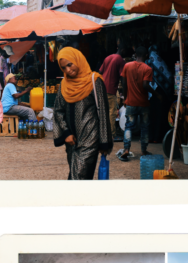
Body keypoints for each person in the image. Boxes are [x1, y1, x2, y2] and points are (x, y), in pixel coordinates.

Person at [53, 47, 113, 180]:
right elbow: (58, 110)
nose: (68, 70)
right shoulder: (64, 83)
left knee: (79, 176)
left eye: (70, 64)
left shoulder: (94, 81)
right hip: (71, 142)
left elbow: (103, 113)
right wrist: (66, 133)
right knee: (77, 175)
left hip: (90, 139)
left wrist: (104, 142)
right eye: (64, 68)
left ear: (77, 60)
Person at [118, 46, 154, 161]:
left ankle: (126, 149)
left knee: (128, 126)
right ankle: (143, 151)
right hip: (143, 103)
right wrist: (157, 94)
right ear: (146, 56)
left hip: (131, 102)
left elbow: (123, 83)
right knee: (144, 128)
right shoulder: (148, 69)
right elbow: (145, 85)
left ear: (135, 54)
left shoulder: (127, 66)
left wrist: (125, 98)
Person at [99, 45, 126, 142]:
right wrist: (124, 91)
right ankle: (112, 135)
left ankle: (104, 133)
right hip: (110, 89)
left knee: (105, 111)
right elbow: (123, 77)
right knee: (112, 112)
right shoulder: (120, 60)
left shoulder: (108, 57)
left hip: (102, 88)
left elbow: (100, 71)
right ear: (122, 50)